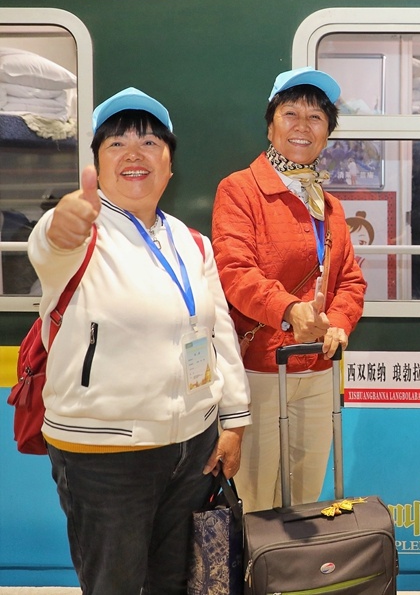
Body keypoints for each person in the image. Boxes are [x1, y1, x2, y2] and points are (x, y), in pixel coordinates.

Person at [28, 87, 251, 594]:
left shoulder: (193, 243)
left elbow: (218, 334)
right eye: (117, 143)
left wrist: (233, 422)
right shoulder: (82, 234)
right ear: (97, 165)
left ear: (169, 166)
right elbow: (49, 246)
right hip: (105, 454)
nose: (134, 153)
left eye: (150, 142)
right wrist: (58, 227)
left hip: (193, 448)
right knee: (115, 584)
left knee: (175, 583)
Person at [212, 67, 367, 512]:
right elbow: (234, 272)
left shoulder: (328, 204)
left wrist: (337, 323)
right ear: (271, 125)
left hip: (318, 371)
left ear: (327, 133)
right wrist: (289, 309)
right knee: (256, 504)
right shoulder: (240, 190)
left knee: (304, 503)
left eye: (316, 117)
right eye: (290, 113)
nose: (303, 125)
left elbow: (351, 280)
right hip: (260, 370)